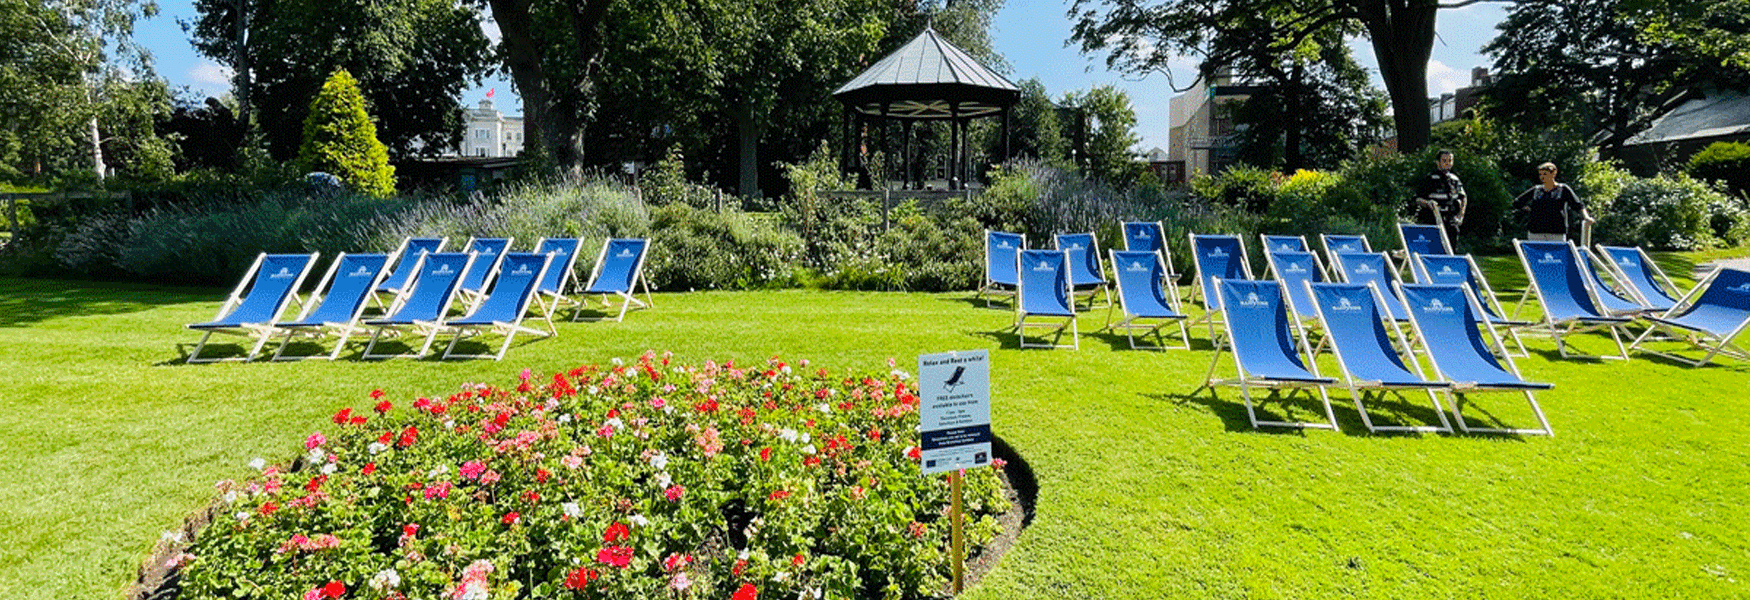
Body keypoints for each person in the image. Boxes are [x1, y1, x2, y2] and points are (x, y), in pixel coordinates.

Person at [1512, 162, 1593, 242]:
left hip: (1557, 231)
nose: (1542, 177)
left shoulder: (1563, 189)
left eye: (1545, 174)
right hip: (1536, 231)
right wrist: (1530, 210)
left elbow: (1578, 205)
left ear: (1554, 173)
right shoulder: (1536, 190)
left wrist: (1586, 217)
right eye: (1540, 174)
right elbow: (1517, 202)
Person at [1413, 150, 1467, 249]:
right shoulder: (1430, 179)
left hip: (1450, 221)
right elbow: (1418, 199)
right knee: (1432, 249)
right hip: (1432, 220)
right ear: (1438, 162)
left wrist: (1460, 216)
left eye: (1450, 160)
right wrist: (1428, 203)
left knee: (1451, 249)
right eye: (1444, 160)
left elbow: (1463, 197)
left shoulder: (1455, 180)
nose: (1448, 163)